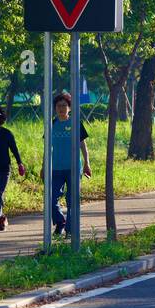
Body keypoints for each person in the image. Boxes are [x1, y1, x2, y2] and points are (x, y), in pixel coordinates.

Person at [48, 91, 90, 237]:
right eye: (58, 106)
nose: (61, 108)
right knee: (51, 198)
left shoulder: (75, 123)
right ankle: (60, 222)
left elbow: (82, 145)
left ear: (70, 108)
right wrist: (43, 166)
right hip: (56, 168)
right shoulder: (51, 124)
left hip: (73, 168)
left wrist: (87, 163)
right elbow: (47, 147)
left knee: (72, 200)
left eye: (64, 106)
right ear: (54, 108)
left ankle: (70, 229)